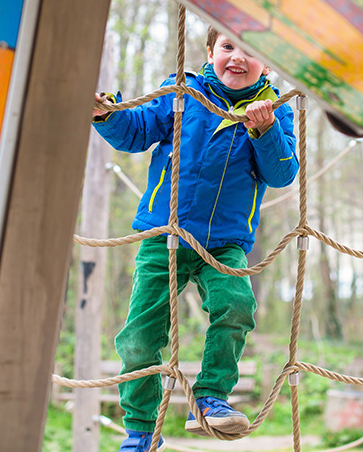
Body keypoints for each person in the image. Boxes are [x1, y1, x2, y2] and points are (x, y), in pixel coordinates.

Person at [92, 27, 300, 452]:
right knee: (140, 336)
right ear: (210, 51)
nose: (238, 57)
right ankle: (141, 431)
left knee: (237, 304)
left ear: (269, 63)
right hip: (165, 233)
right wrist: (106, 115)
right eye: (228, 47)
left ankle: (210, 399)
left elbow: (281, 173)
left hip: (224, 242)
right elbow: (136, 131)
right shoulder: (181, 91)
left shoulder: (276, 110)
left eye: (252, 51)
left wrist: (265, 130)